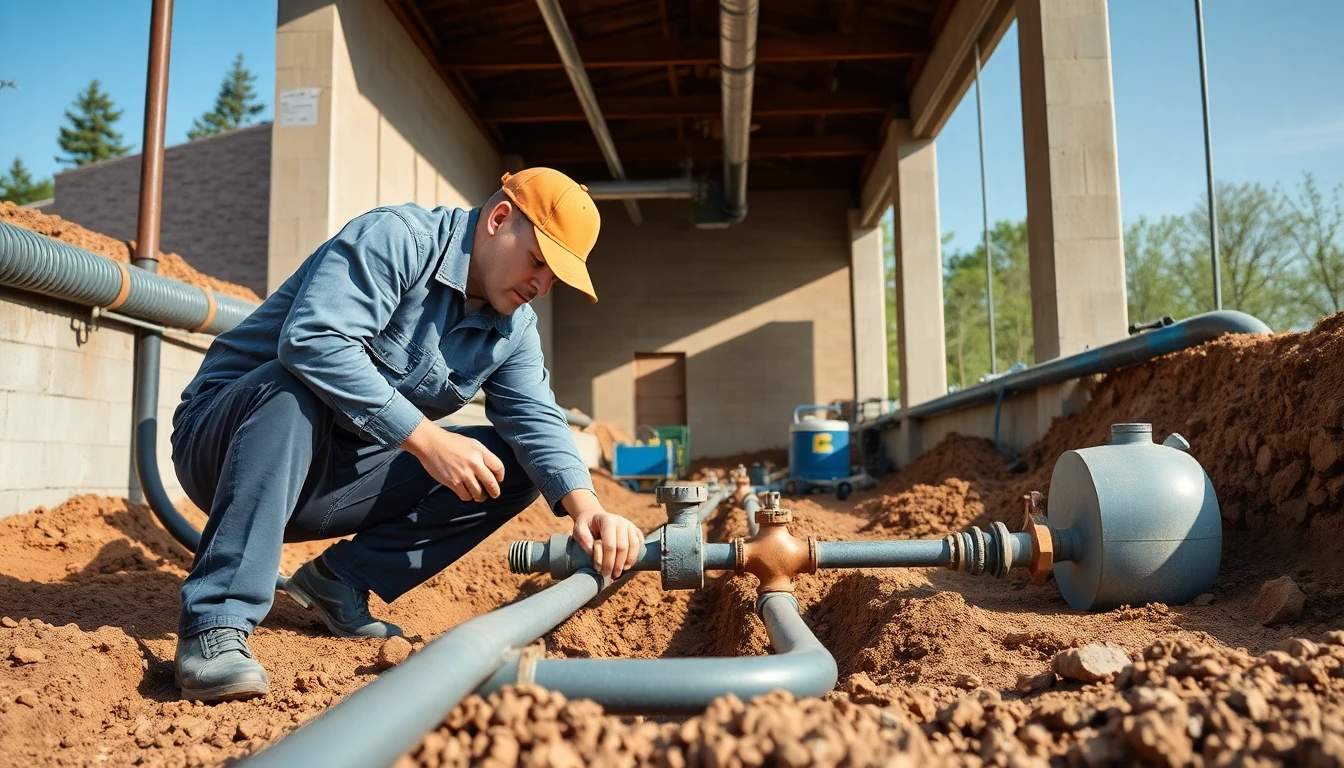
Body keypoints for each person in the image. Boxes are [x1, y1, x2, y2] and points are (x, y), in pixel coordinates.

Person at [169, 167, 645, 702]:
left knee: (512, 465)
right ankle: (216, 621)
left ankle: (340, 579)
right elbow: (313, 342)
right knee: (295, 382)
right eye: (539, 262)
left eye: (555, 279)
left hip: (326, 476)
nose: (540, 286)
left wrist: (587, 510)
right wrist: (426, 439)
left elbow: (537, 419)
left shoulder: (513, 327)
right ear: (500, 219)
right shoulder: (398, 239)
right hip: (225, 446)